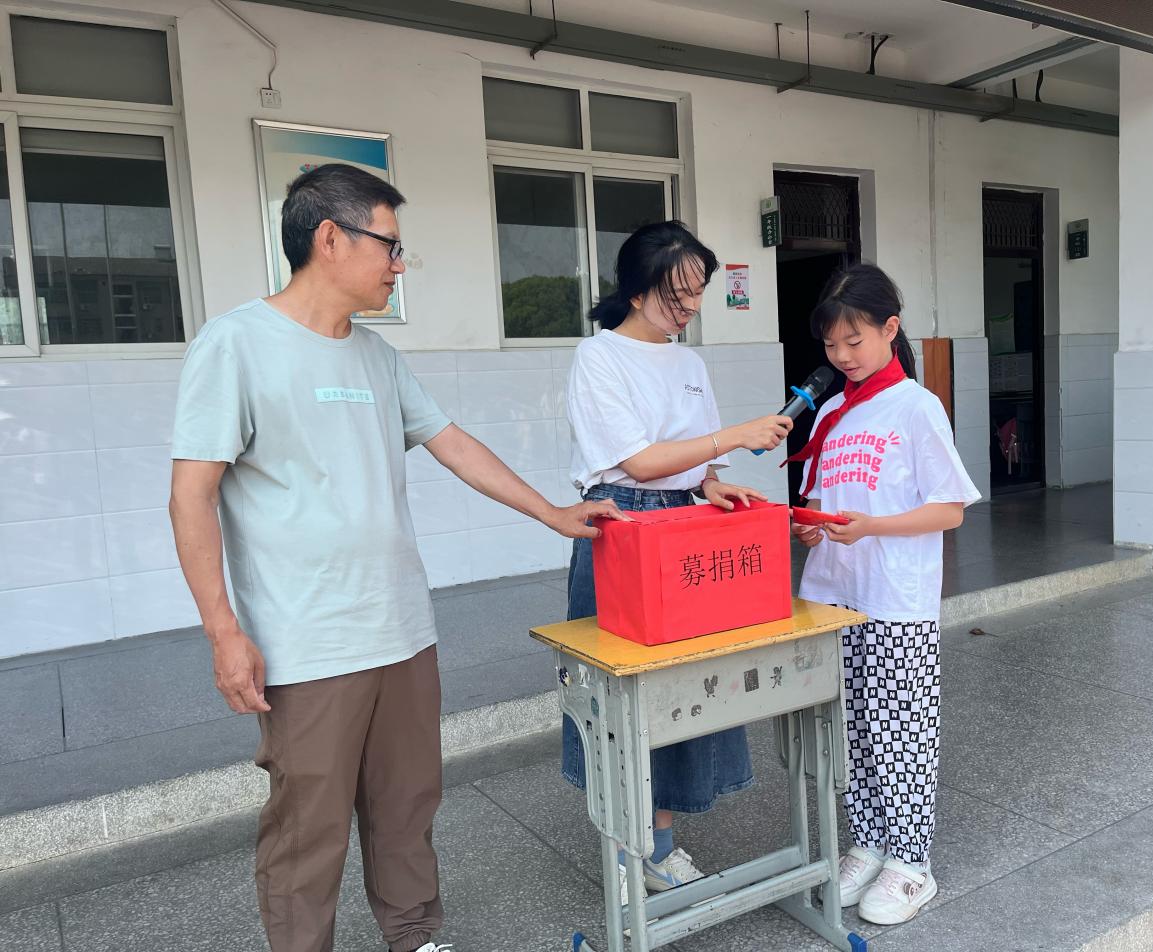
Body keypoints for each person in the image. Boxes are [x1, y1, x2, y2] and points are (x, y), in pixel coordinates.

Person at [168, 163, 623, 952]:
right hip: (307, 641)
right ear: (330, 238)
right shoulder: (235, 344)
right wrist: (222, 631)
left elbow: (453, 444)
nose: (399, 264)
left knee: (407, 803)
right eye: (389, 244)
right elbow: (190, 497)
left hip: (402, 629)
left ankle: (413, 936)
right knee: (308, 827)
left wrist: (550, 513)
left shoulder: (376, 356)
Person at [562, 220, 794, 900]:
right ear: (636, 290)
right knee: (622, 696)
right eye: (676, 294)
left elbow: (693, 461)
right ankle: (624, 848)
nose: (689, 307)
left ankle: (660, 845)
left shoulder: (688, 363)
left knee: (681, 692)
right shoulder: (599, 356)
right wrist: (733, 438)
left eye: (697, 293)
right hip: (620, 525)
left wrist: (713, 483)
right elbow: (637, 463)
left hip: (684, 528)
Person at [787, 263, 980, 925]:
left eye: (854, 341)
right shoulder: (831, 412)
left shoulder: (917, 408)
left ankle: (911, 863)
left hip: (894, 598)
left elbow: (949, 509)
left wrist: (871, 527)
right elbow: (820, 501)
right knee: (855, 731)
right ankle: (868, 844)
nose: (841, 356)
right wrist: (811, 527)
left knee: (901, 731)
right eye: (830, 344)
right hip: (833, 597)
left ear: (890, 329)